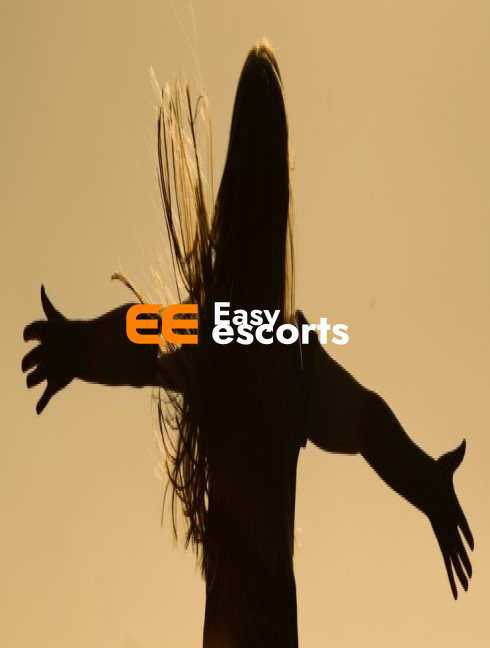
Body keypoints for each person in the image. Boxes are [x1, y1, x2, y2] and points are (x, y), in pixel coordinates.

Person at [22, 40, 473, 648]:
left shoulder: (224, 338)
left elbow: (135, 338)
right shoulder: (288, 357)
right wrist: (426, 483)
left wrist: (75, 345)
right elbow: (370, 424)